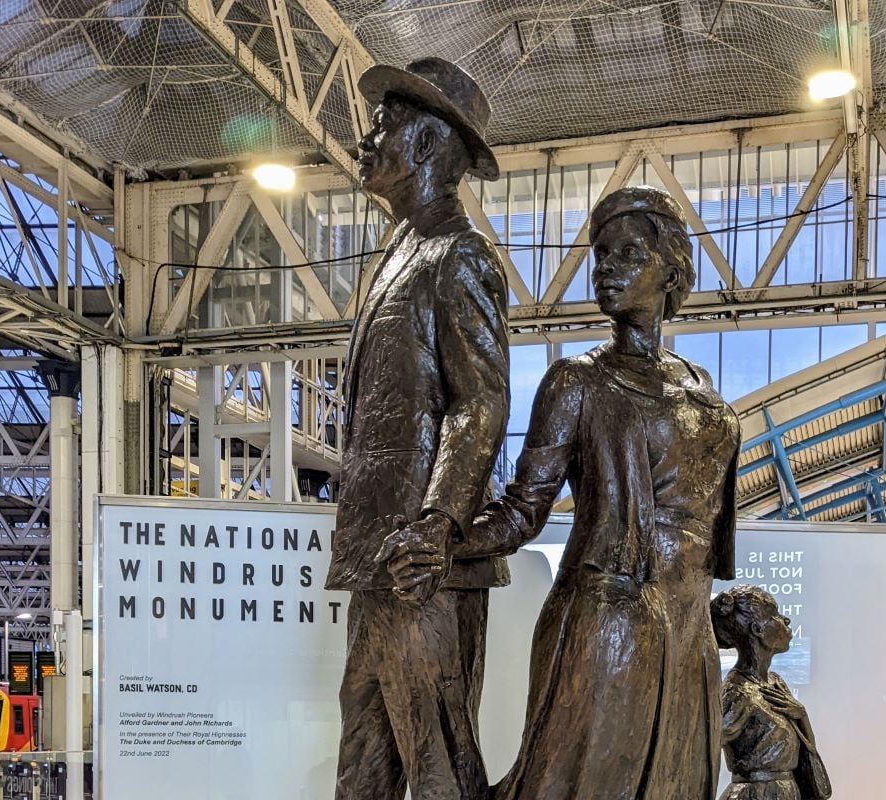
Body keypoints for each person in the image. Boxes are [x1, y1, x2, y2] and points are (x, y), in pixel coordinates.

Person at [395, 185, 741, 798]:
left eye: (627, 255)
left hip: (688, 634)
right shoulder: (576, 382)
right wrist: (445, 538)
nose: (605, 270)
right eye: (600, 256)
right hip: (605, 623)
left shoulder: (705, 394)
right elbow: (523, 511)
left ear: (671, 272)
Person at [324, 57, 510, 800]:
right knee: (363, 763)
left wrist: (436, 525)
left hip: (424, 567)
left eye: (384, 125)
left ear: (430, 145)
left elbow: (481, 403)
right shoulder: (400, 255)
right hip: (381, 561)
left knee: (438, 769)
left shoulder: (458, 256)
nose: (367, 141)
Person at [711, 585, 830, 800]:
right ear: (758, 630)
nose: (785, 620)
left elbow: (805, 748)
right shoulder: (738, 690)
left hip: (786, 791)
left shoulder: (775, 682)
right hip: (756, 794)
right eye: (774, 615)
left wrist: (801, 715)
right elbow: (709, 744)